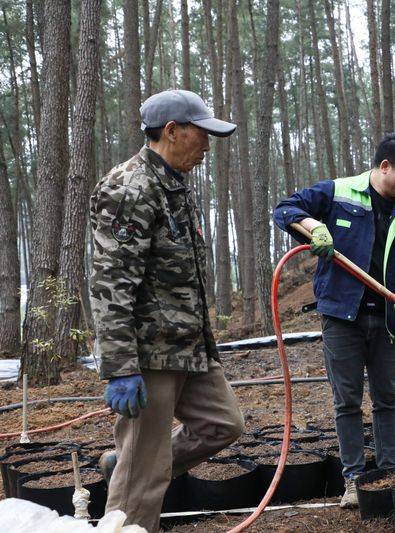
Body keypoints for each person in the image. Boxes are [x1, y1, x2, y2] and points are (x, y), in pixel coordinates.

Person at [90, 90, 244, 532]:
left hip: (188, 348)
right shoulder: (129, 188)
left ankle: (132, 463)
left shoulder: (175, 185)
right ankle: (135, 482)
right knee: (142, 481)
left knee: (223, 424)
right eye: (201, 135)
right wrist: (121, 366)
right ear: (172, 131)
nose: (207, 146)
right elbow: (110, 285)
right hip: (148, 353)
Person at [273, 132, 395, 509]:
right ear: (385, 166)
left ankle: (390, 471)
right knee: (347, 401)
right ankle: (354, 479)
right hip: (343, 316)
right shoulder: (337, 192)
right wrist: (314, 227)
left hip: (390, 318)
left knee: (388, 398)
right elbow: (284, 209)